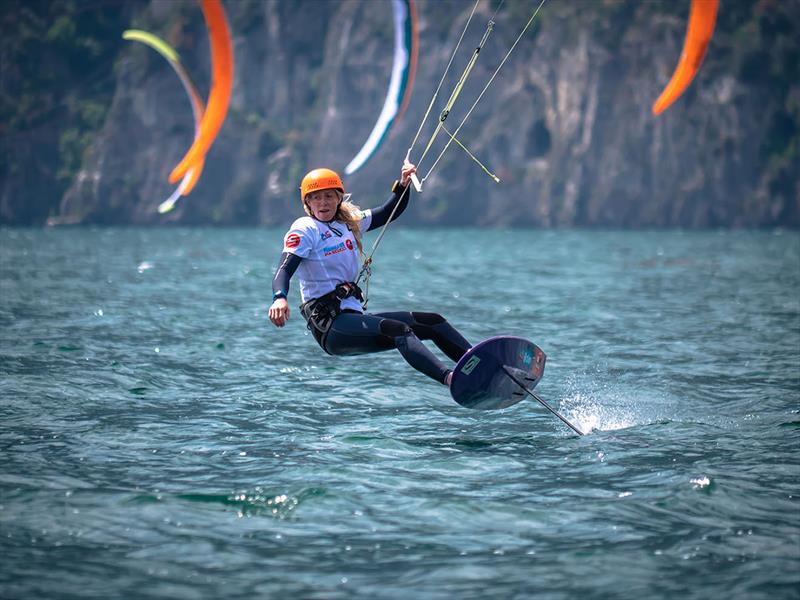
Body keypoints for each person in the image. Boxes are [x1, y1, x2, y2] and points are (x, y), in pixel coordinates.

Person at [268, 160, 471, 386]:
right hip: (331, 327)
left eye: (328, 196)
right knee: (399, 330)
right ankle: (452, 379)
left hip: (353, 317)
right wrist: (280, 298)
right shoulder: (305, 229)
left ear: (338, 198)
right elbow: (285, 267)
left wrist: (403, 184)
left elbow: (388, 212)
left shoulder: (347, 223)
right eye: (316, 197)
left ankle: (482, 362)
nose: (323, 202)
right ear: (307, 203)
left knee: (432, 322)